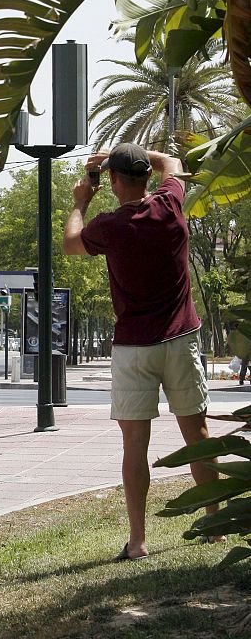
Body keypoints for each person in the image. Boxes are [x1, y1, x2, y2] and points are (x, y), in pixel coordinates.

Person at [63, 143, 223, 560]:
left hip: (134, 346)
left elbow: (71, 243)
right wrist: (133, 157)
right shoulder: (170, 204)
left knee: (135, 444)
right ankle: (216, 525)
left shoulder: (109, 225)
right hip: (180, 338)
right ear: (147, 178)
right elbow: (173, 163)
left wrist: (81, 200)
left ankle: (138, 541)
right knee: (198, 435)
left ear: (113, 182)